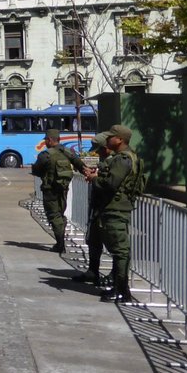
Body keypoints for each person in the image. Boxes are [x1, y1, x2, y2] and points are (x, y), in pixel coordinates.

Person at [85, 124, 145, 303]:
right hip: (114, 208)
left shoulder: (122, 159)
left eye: (111, 136)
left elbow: (110, 184)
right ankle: (118, 287)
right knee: (119, 250)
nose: (108, 139)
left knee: (120, 250)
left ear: (119, 139)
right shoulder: (126, 157)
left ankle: (122, 291)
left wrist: (95, 179)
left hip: (115, 209)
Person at [31, 129, 86, 254]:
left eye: (46, 139)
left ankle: (60, 244)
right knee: (60, 214)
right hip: (64, 189)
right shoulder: (68, 152)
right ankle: (60, 241)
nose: (45, 142)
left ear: (50, 140)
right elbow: (80, 165)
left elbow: (36, 171)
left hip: (50, 190)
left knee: (54, 216)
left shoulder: (45, 155)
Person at [73, 132, 112, 286]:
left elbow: (110, 183)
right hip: (97, 207)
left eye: (100, 149)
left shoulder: (115, 161)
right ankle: (92, 271)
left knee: (114, 245)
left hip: (108, 208)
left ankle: (116, 278)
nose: (97, 152)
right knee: (93, 240)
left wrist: (95, 177)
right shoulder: (105, 161)